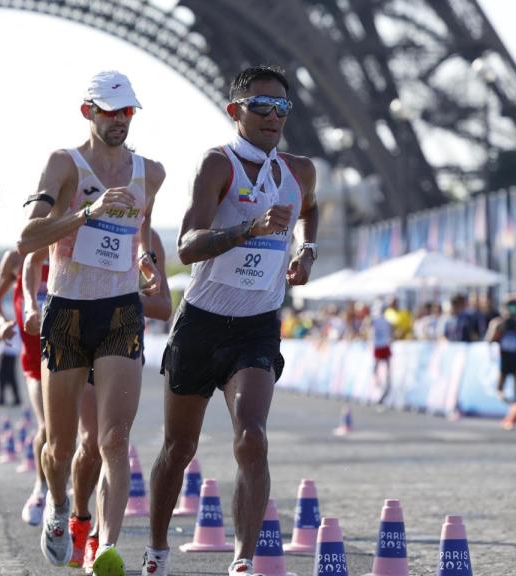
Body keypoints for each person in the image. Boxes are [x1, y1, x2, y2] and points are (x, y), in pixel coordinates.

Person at [141, 65, 318, 576]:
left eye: (281, 107)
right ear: (235, 110)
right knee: (179, 448)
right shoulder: (218, 165)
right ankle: (156, 548)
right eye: (261, 105)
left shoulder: (300, 170)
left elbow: (310, 208)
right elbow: (187, 246)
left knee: (253, 435)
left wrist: (306, 250)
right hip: (201, 322)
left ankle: (243, 559)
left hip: (256, 324)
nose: (272, 116)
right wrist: (249, 228)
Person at [16, 70, 165, 575]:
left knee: (114, 440)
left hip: (121, 309)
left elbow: (142, 233)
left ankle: (105, 546)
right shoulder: (65, 164)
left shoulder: (150, 171)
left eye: (127, 111)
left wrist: (146, 264)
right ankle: (60, 510)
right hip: (68, 311)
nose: (120, 120)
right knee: (59, 448)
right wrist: (88, 211)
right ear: (88, 112)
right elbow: (27, 238)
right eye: (110, 111)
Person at [34, 228, 172, 573]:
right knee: (80, 445)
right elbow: (29, 254)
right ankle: (72, 512)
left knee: (113, 441)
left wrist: (123, 295)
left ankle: (104, 543)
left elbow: (165, 306)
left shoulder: (147, 238)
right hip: (72, 331)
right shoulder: (71, 215)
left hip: (119, 333)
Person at [0, 249, 50, 525]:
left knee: (83, 433)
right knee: (47, 427)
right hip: (35, 358)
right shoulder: (16, 258)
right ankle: (41, 488)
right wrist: (0, 323)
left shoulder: (72, 245)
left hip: (74, 352)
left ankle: (71, 497)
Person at [370, 301, 394, 405]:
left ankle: (381, 385)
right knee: (385, 367)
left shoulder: (375, 320)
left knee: (376, 368)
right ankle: (385, 385)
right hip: (384, 345)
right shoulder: (387, 321)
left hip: (379, 345)